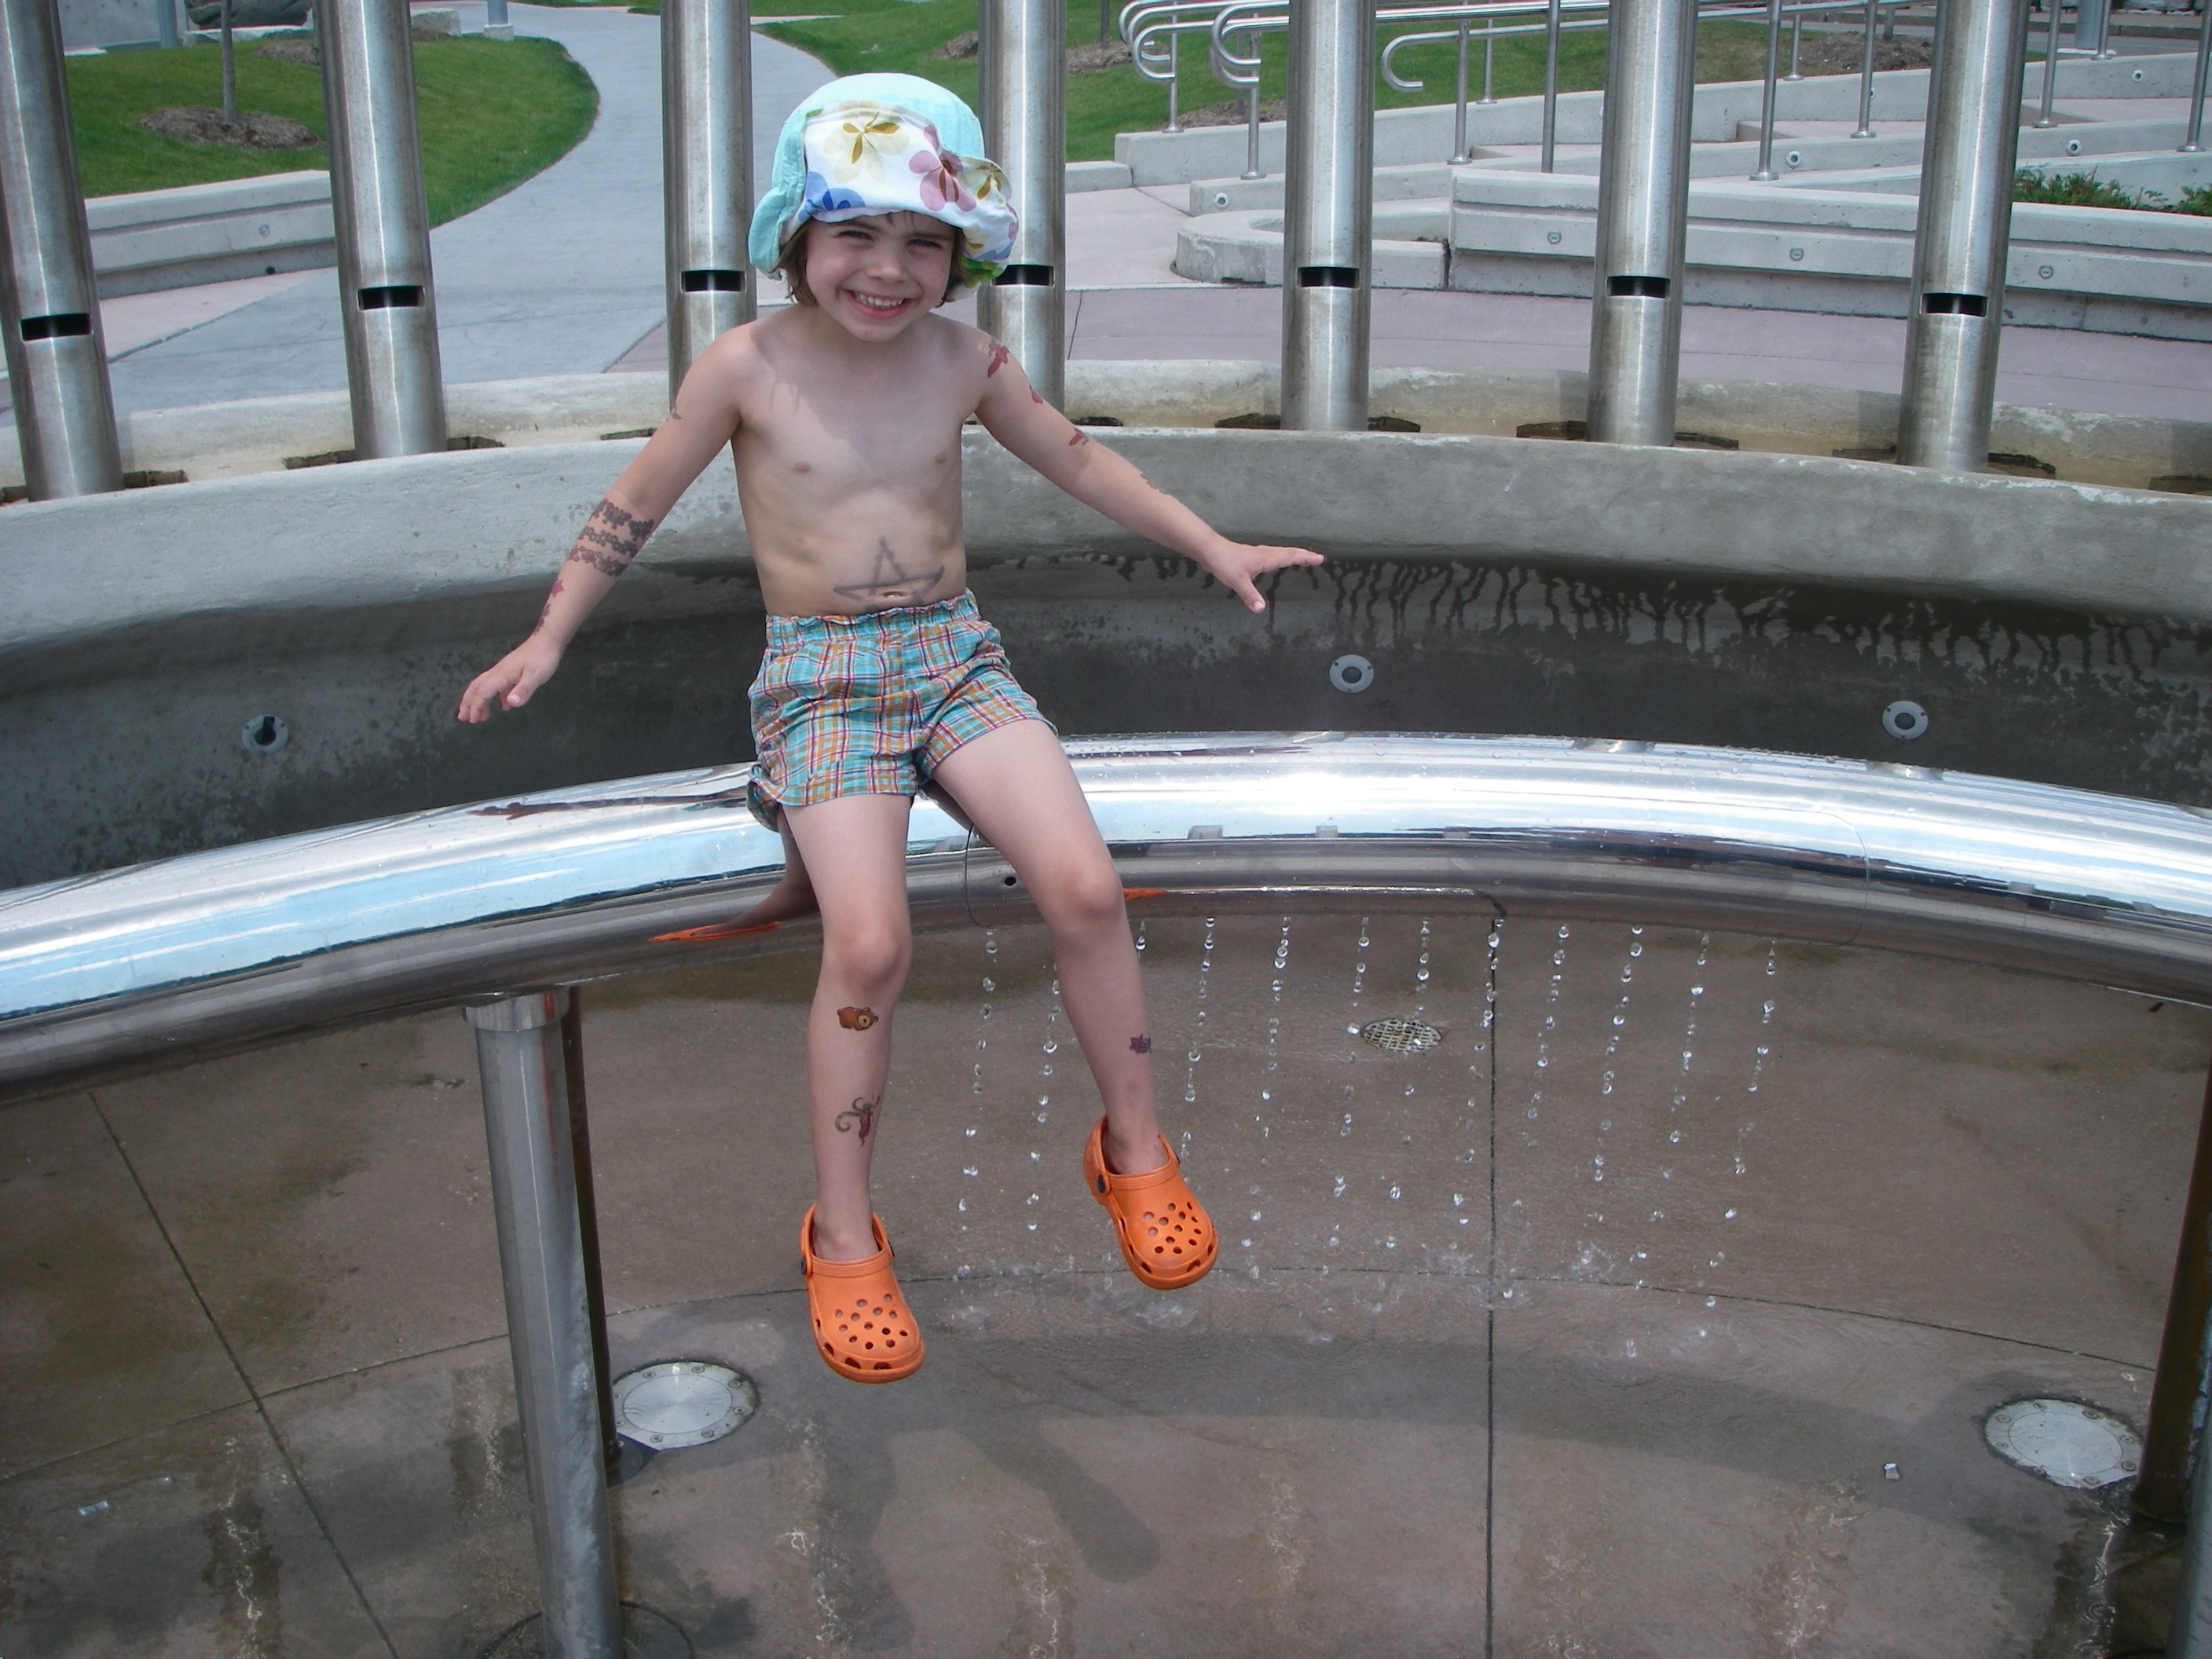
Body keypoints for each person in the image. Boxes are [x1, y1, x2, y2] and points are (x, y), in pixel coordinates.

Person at [456, 73, 1322, 1384]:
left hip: (953, 658)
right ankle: (846, 1231)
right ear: (796, 237)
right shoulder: (746, 367)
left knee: (1087, 886)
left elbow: (1083, 459)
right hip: (823, 679)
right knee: (868, 943)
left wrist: (1214, 544)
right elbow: (633, 505)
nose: (888, 268)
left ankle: (1133, 1149)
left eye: (925, 240)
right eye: (855, 232)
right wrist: (549, 633)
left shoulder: (965, 363)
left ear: (962, 256)